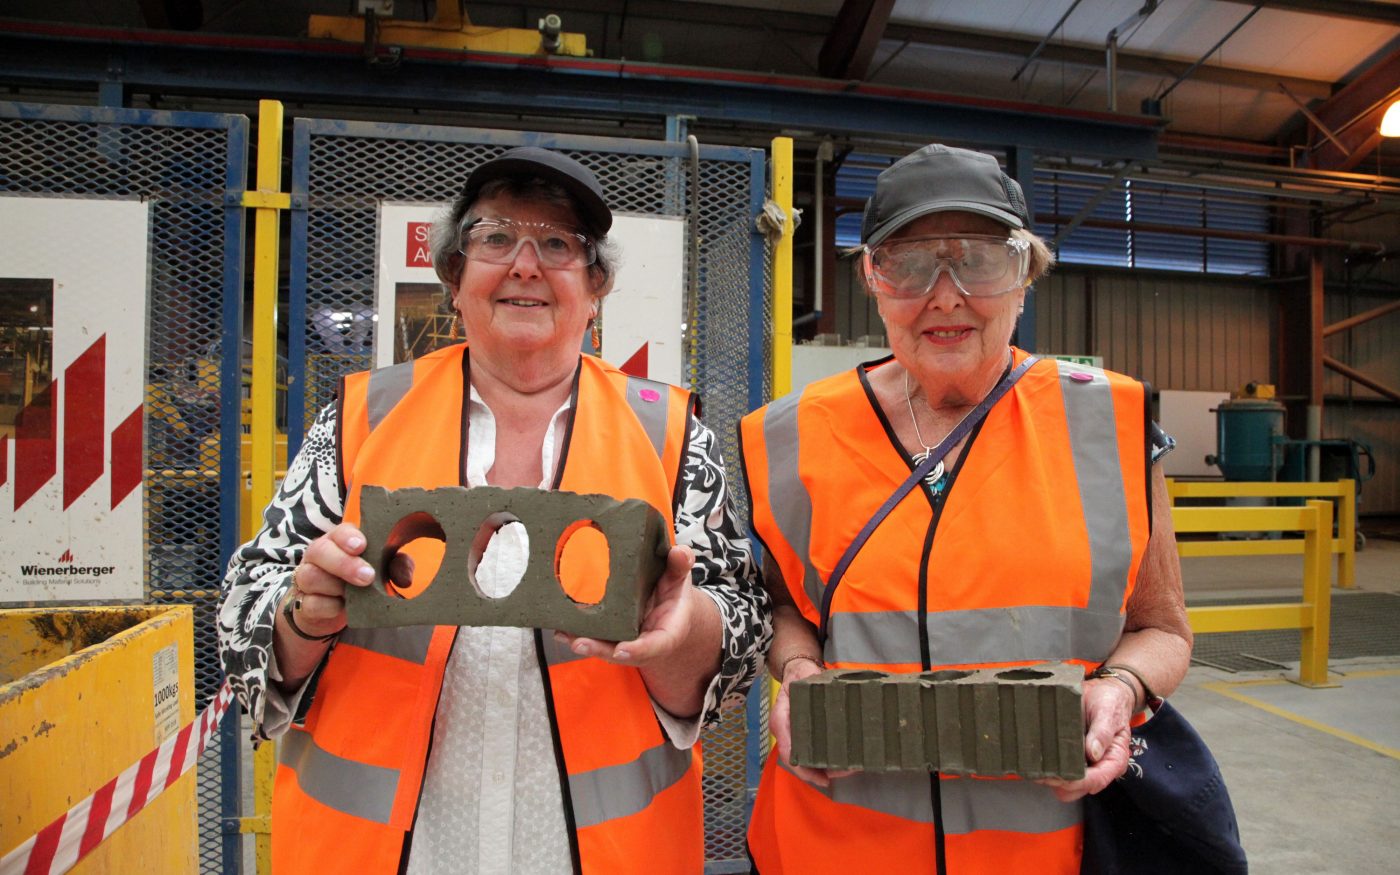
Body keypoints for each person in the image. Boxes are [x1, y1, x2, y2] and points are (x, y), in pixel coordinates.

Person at [218, 147, 771, 875]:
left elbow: (741, 635)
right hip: (383, 855)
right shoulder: (361, 419)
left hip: (599, 856)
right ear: (454, 276)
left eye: (558, 244)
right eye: (494, 237)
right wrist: (301, 615)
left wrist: (686, 633)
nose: (524, 264)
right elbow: (240, 618)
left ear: (595, 286)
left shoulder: (666, 436)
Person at [740, 144, 1192, 873]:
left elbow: (1162, 628)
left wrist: (1122, 686)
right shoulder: (789, 435)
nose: (945, 295)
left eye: (979, 261)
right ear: (873, 280)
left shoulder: (1110, 426)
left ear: (1025, 278)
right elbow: (781, 605)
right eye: (912, 263)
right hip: (834, 845)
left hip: (1042, 850)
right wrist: (796, 668)